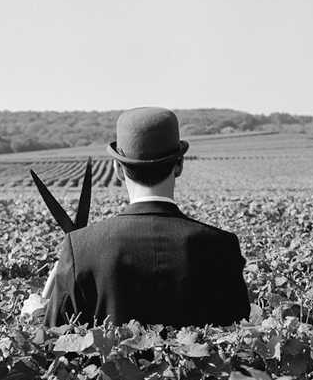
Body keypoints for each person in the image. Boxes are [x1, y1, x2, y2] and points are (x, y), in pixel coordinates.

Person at [43, 107, 251, 327]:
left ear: (118, 170)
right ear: (179, 165)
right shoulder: (222, 246)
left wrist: (36, 312)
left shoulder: (81, 246)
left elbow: (54, 343)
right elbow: (240, 340)